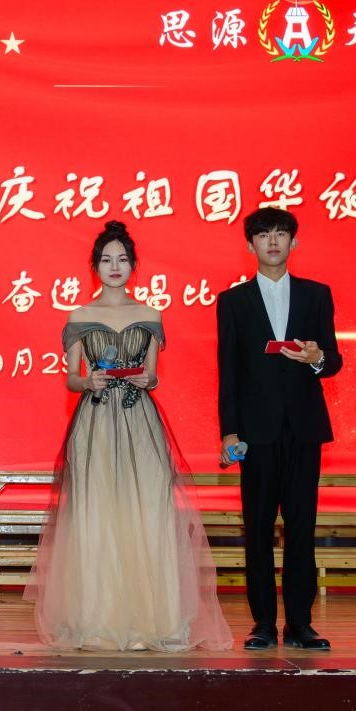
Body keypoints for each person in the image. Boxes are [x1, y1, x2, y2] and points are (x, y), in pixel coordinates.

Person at [26, 221, 232, 652]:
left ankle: (152, 619)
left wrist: (146, 378)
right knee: (96, 511)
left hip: (140, 422)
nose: (114, 266)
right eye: (106, 259)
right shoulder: (80, 316)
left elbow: (153, 374)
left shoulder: (151, 315)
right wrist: (88, 381)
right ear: (95, 266)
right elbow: (71, 378)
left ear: (133, 265)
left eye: (122, 259)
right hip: (96, 420)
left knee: (149, 510)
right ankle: (96, 620)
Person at [216, 207, 342, 651]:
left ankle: (301, 624)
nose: (272, 241)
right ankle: (264, 624)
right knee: (258, 529)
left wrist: (317, 358)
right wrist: (230, 432)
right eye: (264, 235)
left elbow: (333, 359)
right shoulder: (233, 301)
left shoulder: (316, 294)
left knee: (302, 527)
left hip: (304, 428)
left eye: (281, 234)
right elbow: (229, 371)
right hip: (256, 433)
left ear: (294, 242)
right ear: (250, 245)